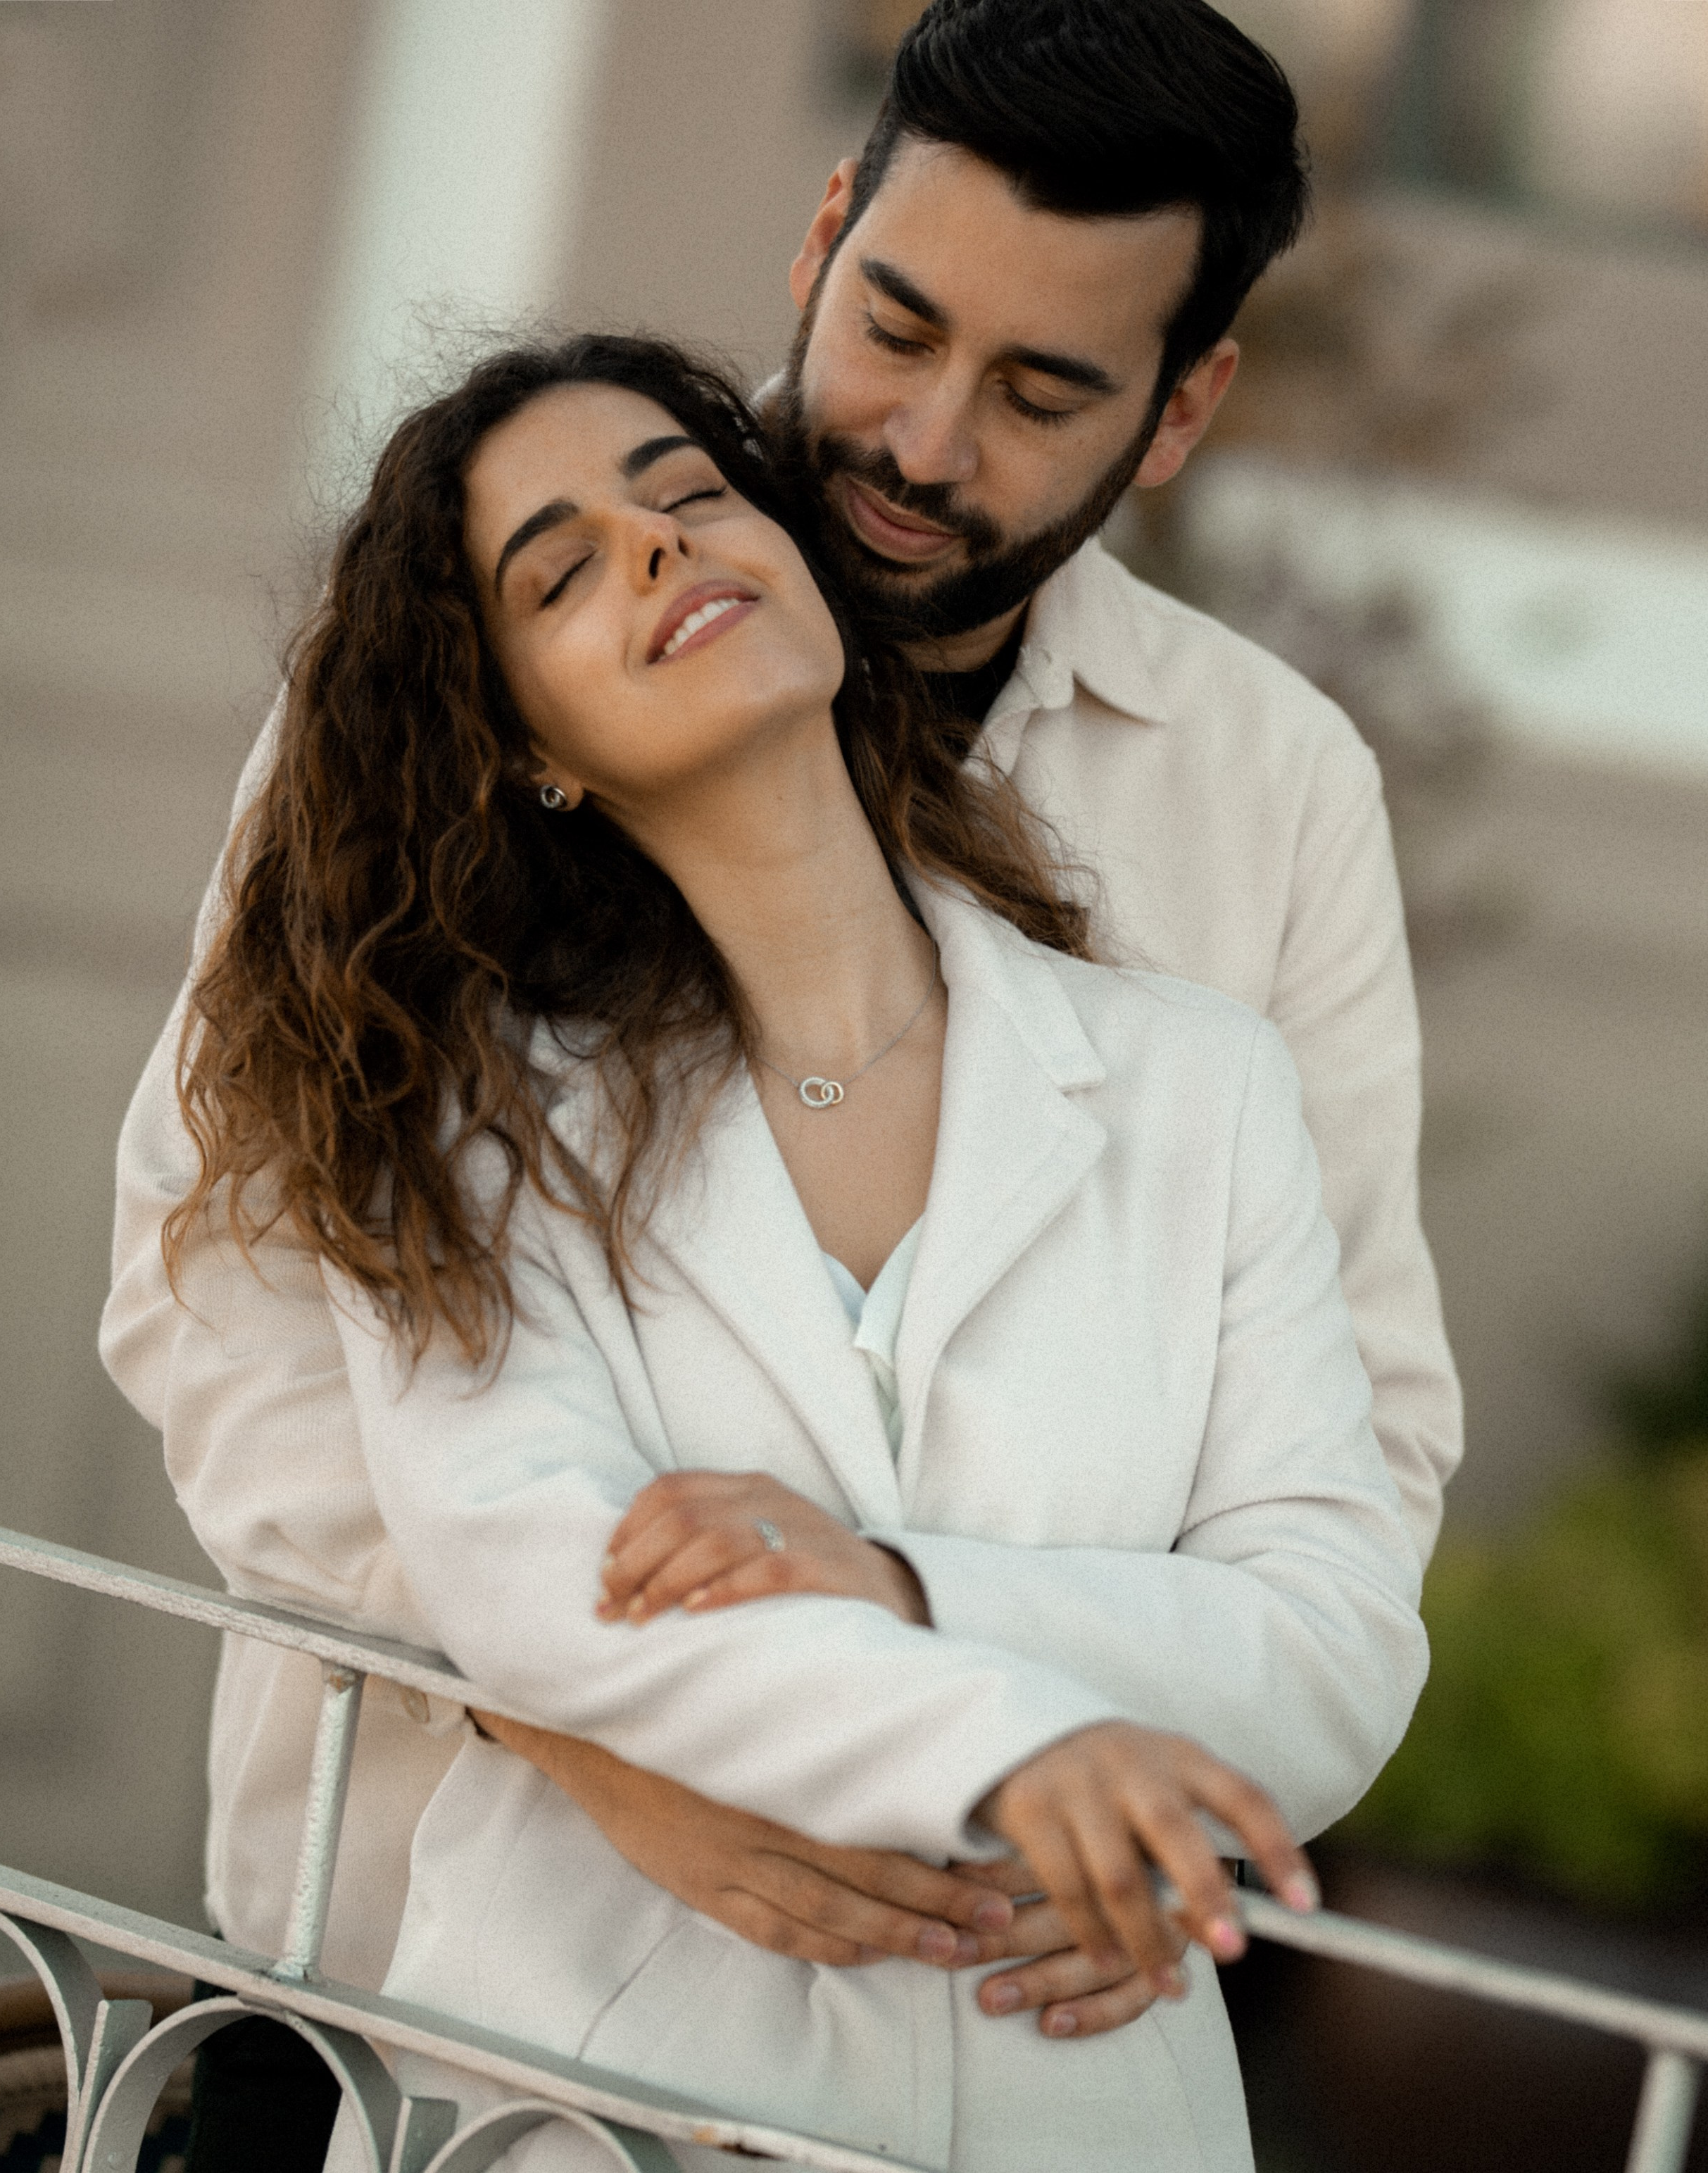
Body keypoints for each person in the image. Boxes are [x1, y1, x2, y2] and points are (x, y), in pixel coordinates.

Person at [101, 0, 1460, 2160]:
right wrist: (597, 1722)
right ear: (826, 230)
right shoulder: (452, 665)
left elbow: (1344, 1508)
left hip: (1031, 2045)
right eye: (897, 327)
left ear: (1182, 407)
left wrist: (1052, 1734)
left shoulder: (1268, 802)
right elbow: (226, 1303)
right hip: (434, 1991)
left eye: (1040, 393)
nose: (922, 445)